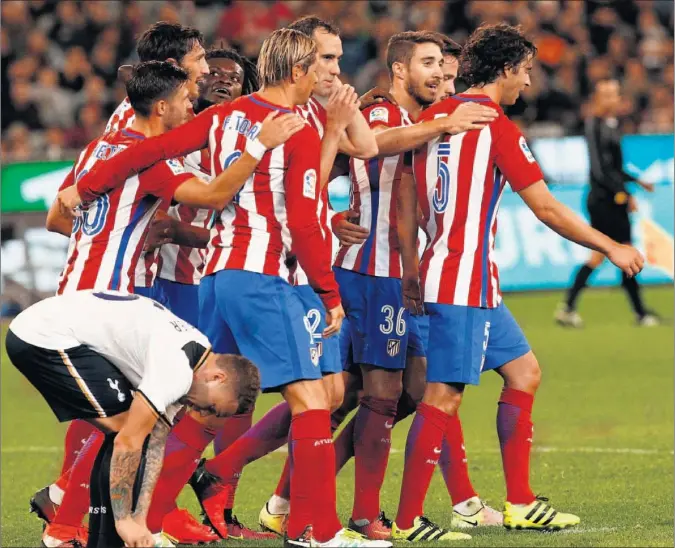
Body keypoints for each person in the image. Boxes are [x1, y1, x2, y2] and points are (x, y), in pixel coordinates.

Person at [61, 28, 388, 548]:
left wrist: (89, 185)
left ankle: (153, 519)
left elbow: (150, 151)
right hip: (263, 277)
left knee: (192, 405)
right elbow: (303, 224)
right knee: (311, 401)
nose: (329, 74)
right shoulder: (294, 129)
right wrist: (329, 296)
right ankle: (316, 531)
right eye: (321, 64)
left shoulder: (220, 117)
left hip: (215, 276)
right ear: (298, 72)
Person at [392, 23, 644, 541]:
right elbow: (546, 208)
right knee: (442, 397)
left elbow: (409, 194)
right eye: (525, 70)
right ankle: (406, 520)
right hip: (460, 280)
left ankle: (521, 503)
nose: (527, 82)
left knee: (524, 371)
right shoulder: (496, 128)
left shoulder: (434, 116)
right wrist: (611, 246)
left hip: (464, 276)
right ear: (505, 70)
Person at [40, 61, 302, 548]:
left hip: (76, 288)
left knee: (122, 419)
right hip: (114, 298)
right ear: (162, 106)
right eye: (187, 96)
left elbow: (58, 215)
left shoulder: (99, 147)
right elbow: (213, 193)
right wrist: (259, 145)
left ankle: (84, 519)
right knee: (127, 422)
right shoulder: (150, 158)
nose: (193, 103)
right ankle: (66, 525)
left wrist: (105, 239)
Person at [326, 30, 496, 540]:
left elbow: (327, 167)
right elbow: (367, 147)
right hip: (372, 271)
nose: (440, 77)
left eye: (444, 69)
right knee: (366, 395)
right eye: (429, 65)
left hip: (399, 273)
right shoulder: (381, 112)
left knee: (407, 388)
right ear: (400, 69)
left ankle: (284, 498)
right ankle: (363, 515)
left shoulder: (421, 118)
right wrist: (331, 216)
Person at [5, 289, 261, 548]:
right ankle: (71, 531)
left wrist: (141, 519)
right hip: (43, 336)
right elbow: (127, 442)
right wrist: (125, 519)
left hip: (60, 331)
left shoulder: (197, 358)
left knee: (136, 434)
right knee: (123, 432)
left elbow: (155, 447)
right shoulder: (177, 371)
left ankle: (99, 536)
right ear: (218, 378)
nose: (205, 413)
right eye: (214, 407)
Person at [556, 78, 658, 328]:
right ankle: (639, 312)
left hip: (612, 199)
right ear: (597, 99)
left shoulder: (612, 125)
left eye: (615, 93)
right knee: (614, 254)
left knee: (614, 254)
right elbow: (600, 171)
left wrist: (636, 182)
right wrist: (623, 194)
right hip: (604, 201)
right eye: (607, 94)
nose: (613, 98)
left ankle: (571, 308)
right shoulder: (595, 126)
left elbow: (615, 168)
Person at [106, 21, 209, 132]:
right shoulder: (137, 122)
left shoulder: (176, 108)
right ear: (172, 66)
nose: (206, 70)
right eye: (198, 59)